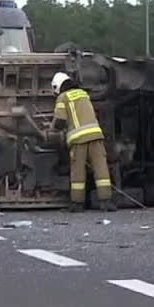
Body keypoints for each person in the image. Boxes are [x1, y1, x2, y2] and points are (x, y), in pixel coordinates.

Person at [49, 71, 115, 212]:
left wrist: (51, 129)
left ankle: (77, 204)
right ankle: (106, 202)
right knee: (101, 169)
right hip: (96, 135)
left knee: (78, 172)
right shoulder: (83, 94)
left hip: (79, 139)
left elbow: (60, 121)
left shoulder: (63, 97)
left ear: (57, 86)